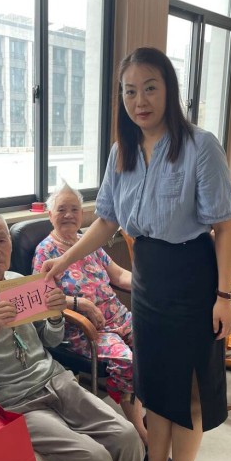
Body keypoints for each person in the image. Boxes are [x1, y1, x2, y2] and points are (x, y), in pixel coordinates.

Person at [40, 47, 231, 461]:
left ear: (169, 89)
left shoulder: (200, 146)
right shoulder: (121, 153)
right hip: (148, 282)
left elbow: (225, 228)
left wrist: (224, 296)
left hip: (193, 277)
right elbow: (106, 221)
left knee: (189, 388)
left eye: (150, 88)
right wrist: (63, 261)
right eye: (130, 92)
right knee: (156, 383)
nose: (139, 100)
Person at [0, 211, 144, 461]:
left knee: (127, 437)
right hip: (14, 402)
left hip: (55, 381)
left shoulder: (20, 282)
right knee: (94, 458)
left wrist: (55, 317)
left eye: (2, 241)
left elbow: (49, 341)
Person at [32, 180, 146, 444]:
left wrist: (149, 284)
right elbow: (42, 299)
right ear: (50, 215)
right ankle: (141, 432)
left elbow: (118, 275)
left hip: (118, 317)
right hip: (83, 331)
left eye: (74, 209)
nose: (69, 215)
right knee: (128, 361)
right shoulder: (45, 251)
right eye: (61, 209)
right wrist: (79, 304)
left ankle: (150, 409)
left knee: (156, 342)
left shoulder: (87, 242)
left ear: (82, 214)